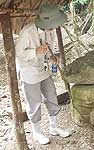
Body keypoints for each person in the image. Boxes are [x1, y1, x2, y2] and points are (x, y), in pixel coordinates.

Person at [15, 5, 71, 145]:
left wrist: (52, 57)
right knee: (34, 102)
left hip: (44, 69)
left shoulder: (50, 30)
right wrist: (35, 51)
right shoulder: (27, 32)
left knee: (51, 95)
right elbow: (18, 54)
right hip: (29, 71)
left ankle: (54, 127)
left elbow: (49, 48)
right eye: (52, 26)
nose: (54, 28)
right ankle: (37, 132)